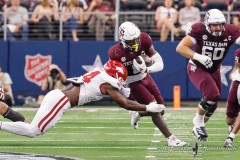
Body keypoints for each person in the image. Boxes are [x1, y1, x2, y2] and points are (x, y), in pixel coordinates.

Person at [0, 60, 165, 138]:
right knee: (33, 131)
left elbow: (124, 95)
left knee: (32, 128)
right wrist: (147, 108)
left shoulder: (101, 73)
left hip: (57, 96)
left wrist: (137, 100)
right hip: (61, 101)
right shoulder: (108, 83)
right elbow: (124, 103)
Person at [108, 21, 187, 147]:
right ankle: (171, 139)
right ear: (123, 40)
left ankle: (137, 113)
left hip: (145, 76)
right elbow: (114, 73)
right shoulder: (115, 52)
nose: (135, 42)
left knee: (161, 109)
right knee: (154, 108)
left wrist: (147, 69)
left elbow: (160, 63)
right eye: (131, 41)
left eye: (136, 39)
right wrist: (122, 88)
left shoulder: (144, 39)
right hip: (132, 82)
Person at [176, 9, 240, 141]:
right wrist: (198, 57)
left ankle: (199, 126)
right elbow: (180, 47)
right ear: (207, 24)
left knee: (213, 103)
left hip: (214, 69)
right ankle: (198, 122)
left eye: (220, 24)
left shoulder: (231, 31)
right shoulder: (199, 30)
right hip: (197, 66)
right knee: (212, 95)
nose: (218, 28)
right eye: (214, 25)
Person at [223, 48, 240, 147]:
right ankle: (234, 126)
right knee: (229, 120)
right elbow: (237, 64)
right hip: (237, 84)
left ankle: (230, 138)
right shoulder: (238, 52)